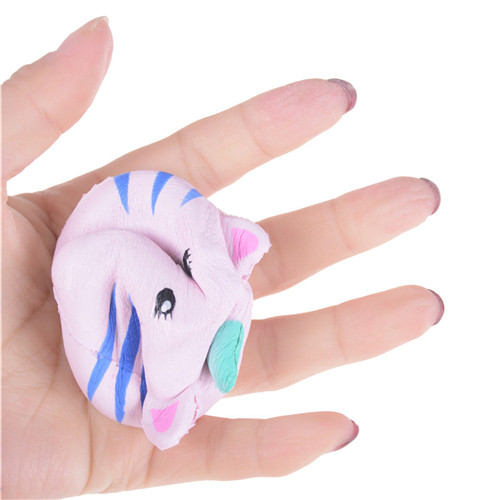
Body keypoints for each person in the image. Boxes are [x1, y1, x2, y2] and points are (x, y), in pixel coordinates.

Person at [1, 17, 444, 498]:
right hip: (128, 299)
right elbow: (119, 259)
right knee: (183, 297)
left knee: (195, 287)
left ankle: (201, 309)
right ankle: (197, 311)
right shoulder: (138, 357)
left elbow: (173, 257)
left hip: (144, 302)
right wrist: (179, 308)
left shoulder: (153, 348)